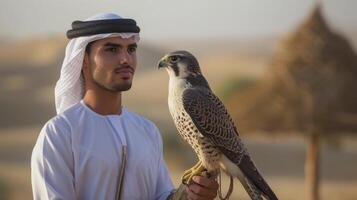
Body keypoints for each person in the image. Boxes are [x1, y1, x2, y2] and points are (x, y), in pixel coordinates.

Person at [31, 12, 218, 200]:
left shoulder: (147, 131)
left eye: (131, 49)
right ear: (83, 60)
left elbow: (162, 196)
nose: (125, 59)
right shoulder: (60, 133)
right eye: (112, 50)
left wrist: (189, 196)